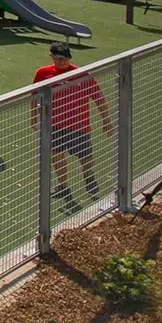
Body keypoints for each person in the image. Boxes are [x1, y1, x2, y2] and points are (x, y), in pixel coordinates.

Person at [33, 42, 114, 204]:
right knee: (57, 155)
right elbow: (34, 96)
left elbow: (98, 97)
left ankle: (89, 177)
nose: (63, 62)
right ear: (52, 57)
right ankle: (64, 186)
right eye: (59, 59)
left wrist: (106, 120)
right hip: (54, 124)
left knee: (86, 157)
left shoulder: (82, 74)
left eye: (65, 59)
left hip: (79, 125)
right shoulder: (43, 73)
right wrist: (33, 117)